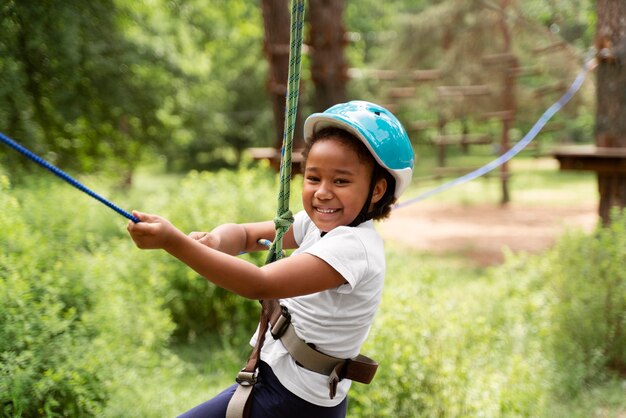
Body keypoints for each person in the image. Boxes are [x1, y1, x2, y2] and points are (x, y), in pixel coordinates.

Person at [127, 100, 414, 418]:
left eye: (341, 181)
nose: (322, 192)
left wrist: (173, 242)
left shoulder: (353, 247)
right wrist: (216, 240)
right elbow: (247, 235)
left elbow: (258, 283)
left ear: (376, 190)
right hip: (279, 382)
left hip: (295, 401)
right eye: (313, 178)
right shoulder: (318, 224)